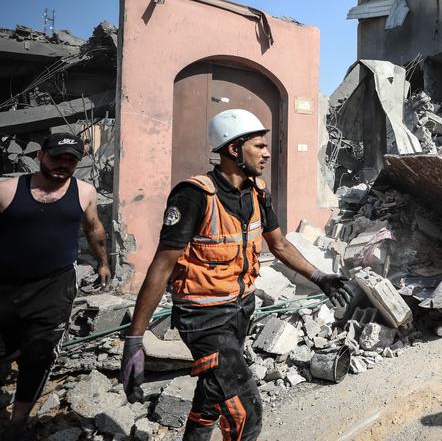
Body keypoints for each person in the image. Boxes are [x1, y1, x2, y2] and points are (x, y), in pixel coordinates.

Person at [120, 110, 346, 441]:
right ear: (233, 150)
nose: (267, 153)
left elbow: (279, 245)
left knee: (214, 392)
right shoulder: (194, 195)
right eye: (259, 146)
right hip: (203, 317)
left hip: (241, 310)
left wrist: (320, 276)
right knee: (246, 412)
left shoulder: (257, 193)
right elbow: (162, 264)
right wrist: (135, 339)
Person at [0, 132, 110, 439]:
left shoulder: (85, 191)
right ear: (40, 156)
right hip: (4, 286)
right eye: (57, 157)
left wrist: (103, 262)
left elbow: (94, 227)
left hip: (54, 286)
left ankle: (18, 421)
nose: (63, 164)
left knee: (39, 353)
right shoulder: (7, 190)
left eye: (71, 160)